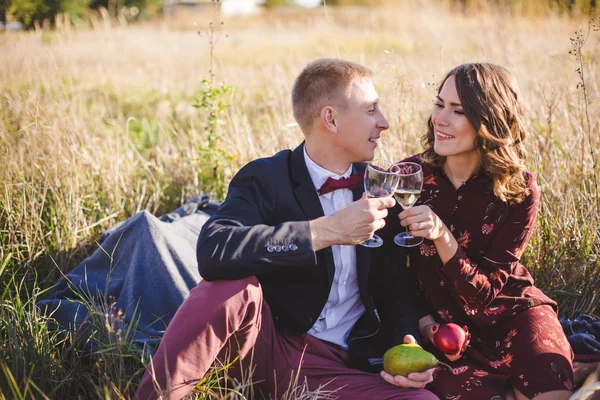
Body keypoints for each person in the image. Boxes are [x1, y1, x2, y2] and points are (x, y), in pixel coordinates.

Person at [134, 58, 438, 400]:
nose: (384, 122)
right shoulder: (266, 178)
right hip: (262, 348)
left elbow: (394, 286)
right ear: (331, 119)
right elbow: (214, 249)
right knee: (231, 288)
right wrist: (324, 231)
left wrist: (404, 340)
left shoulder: (379, 187)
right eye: (371, 110)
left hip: (335, 367)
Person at [396, 63, 574, 399]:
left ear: (489, 121)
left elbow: (486, 293)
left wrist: (441, 235)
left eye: (458, 110)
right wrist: (422, 324)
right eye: (439, 104)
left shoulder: (519, 189)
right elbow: (389, 271)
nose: (440, 119)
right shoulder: (409, 177)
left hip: (513, 314)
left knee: (550, 387)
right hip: (443, 328)